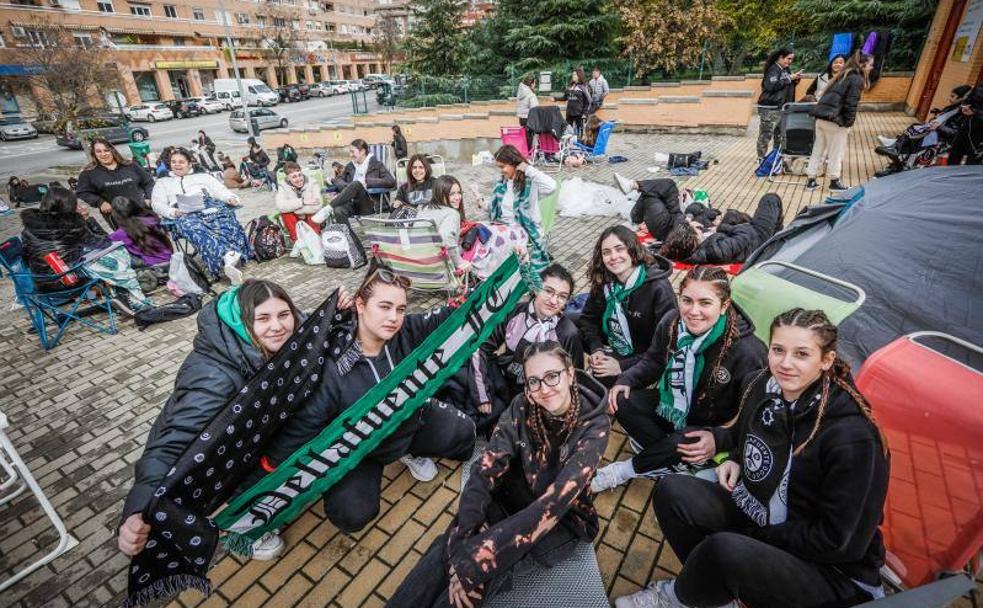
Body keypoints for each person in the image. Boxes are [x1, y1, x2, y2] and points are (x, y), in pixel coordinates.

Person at [615, 308, 889, 608]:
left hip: (833, 570)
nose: (785, 364)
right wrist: (734, 456)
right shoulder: (766, 385)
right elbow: (743, 431)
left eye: (801, 354)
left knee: (725, 550)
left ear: (826, 360)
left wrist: (756, 539)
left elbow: (840, 542)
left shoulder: (853, 438)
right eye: (778, 350)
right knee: (672, 491)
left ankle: (679, 598)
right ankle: (716, 595)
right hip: (761, 513)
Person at [117, 280, 339, 560]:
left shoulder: (292, 332)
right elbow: (172, 444)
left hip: (259, 434)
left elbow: (312, 327)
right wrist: (139, 508)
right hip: (221, 458)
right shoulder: (212, 377)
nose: (278, 327)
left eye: (284, 315)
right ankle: (243, 525)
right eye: (263, 318)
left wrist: (338, 312)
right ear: (242, 323)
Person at [386, 341, 610, 608]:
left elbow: (553, 505)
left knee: (476, 580)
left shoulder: (595, 428)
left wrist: (476, 562)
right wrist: (462, 541)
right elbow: (485, 467)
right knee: (447, 547)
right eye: (534, 381)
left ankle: (486, 574)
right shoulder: (522, 405)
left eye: (552, 376)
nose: (544, 389)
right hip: (512, 495)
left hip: (560, 521)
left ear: (570, 372)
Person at [262, 264, 477, 534]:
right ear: (360, 305)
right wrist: (266, 477)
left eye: (400, 309)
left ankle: (411, 452)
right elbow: (302, 427)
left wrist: (506, 272)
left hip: (410, 421)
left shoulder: (405, 331)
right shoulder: (334, 367)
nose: (394, 318)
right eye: (384, 307)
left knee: (464, 432)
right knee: (352, 513)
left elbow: (452, 315)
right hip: (361, 452)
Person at [591, 266, 767, 492]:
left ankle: (625, 470)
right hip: (672, 403)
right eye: (687, 300)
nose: (693, 311)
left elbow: (754, 415)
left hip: (712, 426)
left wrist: (722, 442)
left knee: (682, 442)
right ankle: (675, 460)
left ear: (724, 306)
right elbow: (653, 361)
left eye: (705, 303)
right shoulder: (672, 321)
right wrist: (626, 380)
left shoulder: (749, 352)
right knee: (621, 400)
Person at [468, 264, 583, 434]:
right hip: (505, 381)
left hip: (540, 394)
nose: (553, 301)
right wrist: (482, 394)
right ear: (536, 288)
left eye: (562, 296)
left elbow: (575, 377)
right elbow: (481, 347)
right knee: (476, 420)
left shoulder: (567, 333)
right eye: (549, 291)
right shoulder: (514, 312)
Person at [21, 187, 151, 313]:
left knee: (88, 261)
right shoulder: (71, 223)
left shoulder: (28, 229)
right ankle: (130, 297)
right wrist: (88, 220)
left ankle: (98, 295)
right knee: (109, 260)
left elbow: (26, 260)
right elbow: (104, 242)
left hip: (43, 285)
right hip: (71, 283)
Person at [578, 225, 675, 386]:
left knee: (598, 383)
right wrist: (597, 349)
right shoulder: (606, 280)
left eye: (619, 249)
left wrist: (621, 366)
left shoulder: (658, 288)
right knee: (566, 326)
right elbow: (588, 319)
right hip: (614, 344)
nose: (613, 257)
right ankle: (572, 370)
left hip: (644, 359)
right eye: (606, 252)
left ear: (633, 249)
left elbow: (666, 347)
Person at [151, 148, 250, 277]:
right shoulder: (163, 182)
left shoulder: (203, 177)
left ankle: (229, 257)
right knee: (195, 227)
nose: (177, 165)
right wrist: (173, 211)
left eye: (181, 162)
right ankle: (227, 257)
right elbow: (157, 204)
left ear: (189, 163)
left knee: (227, 220)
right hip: (183, 212)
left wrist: (230, 198)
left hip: (208, 206)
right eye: (174, 162)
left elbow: (220, 191)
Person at [477, 145, 556, 278]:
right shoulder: (503, 183)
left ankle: (495, 275)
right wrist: (483, 204)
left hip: (523, 229)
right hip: (503, 226)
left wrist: (527, 168)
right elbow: (496, 207)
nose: (501, 171)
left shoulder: (530, 183)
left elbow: (552, 186)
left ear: (515, 163)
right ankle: (486, 273)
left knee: (493, 238)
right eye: (499, 167)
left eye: (503, 167)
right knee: (478, 230)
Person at [805, 51, 873, 192]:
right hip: (835, 120)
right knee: (836, 152)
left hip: (822, 117)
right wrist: (848, 123)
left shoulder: (842, 75)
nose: (872, 67)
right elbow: (851, 103)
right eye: (870, 64)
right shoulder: (856, 79)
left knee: (818, 150)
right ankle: (834, 182)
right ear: (862, 64)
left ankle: (811, 180)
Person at [659, 193, 784, 264]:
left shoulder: (697, 245)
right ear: (693, 239)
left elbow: (697, 210)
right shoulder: (715, 250)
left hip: (746, 236)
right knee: (770, 199)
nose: (698, 226)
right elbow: (746, 235)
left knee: (731, 214)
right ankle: (775, 239)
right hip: (757, 238)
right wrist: (721, 227)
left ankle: (777, 235)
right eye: (695, 229)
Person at [76, 137, 156, 229]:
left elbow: (148, 182)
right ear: (94, 154)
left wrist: (149, 198)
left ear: (112, 150)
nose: (103, 154)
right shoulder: (88, 173)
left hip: (143, 212)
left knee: (156, 239)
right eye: (98, 151)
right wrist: (100, 202)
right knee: (130, 242)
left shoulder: (130, 165)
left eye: (106, 150)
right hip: (118, 218)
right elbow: (82, 192)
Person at [329, 138, 397, 226]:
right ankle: (349, 237)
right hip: (351, 203)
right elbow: (338, 179)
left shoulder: (376, 165)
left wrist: (367, 182)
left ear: (362, 151)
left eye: (352, 152)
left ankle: (328, 207)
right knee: (338, 210)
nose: (350, 155)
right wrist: (348, 187)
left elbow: (391, 181)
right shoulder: (350, 166)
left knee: (358, 183)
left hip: (369, 203)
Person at [756, 48, 802, 160]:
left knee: (780, 135)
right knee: (766, 134)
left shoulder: (786, 70)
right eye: (788, 58)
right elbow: (771, 86)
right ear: (781, 57)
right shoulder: (773, 69)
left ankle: (776, 157)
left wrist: (795, 80)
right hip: (770, 108)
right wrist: (789, 79)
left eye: (791, 59)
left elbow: (786, 86)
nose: (790, 61)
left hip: (783, 107)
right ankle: (761, 158)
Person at [414, 174, 467, 268]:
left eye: (459, 192)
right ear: (440, 194)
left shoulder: (423, 207)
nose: (458, 197)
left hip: (417, 260)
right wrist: (460, 263)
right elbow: (445, 237)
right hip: (436, 266)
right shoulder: (452, 213)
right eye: (451, 194)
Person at [613, 175, 685, 242]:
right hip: (673, 216)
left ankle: (633, 185)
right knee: (666, 186)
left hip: (670, 228)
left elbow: (687, 218)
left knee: (650, 195)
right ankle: (633, 186)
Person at [109, 196, 172, 267]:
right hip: (169, 258)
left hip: (153, 265)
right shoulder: (151, 219)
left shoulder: (119, 234)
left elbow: (107, 242)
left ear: (116, 216)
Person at [275, 161, 324, 241]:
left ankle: (314, 240)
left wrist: (297, 211)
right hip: (294, 220)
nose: (298, 179)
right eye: (294, 177)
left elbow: (318, 205)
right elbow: (280, 205)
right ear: (288, 178)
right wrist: (303, 202)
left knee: (311, 213)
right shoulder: (283, 186)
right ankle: (298, 242)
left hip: (310, 219)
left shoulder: (312, 183)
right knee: (286, 214)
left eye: (300, 175)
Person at [947, 84, 983, 166]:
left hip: (980, 134)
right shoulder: (980, 87)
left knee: (972, 162)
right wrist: (964, 107)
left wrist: (974, 111)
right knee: (954, 155)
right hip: (967, 126)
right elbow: (967, 100)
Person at [516, 73, 539, 151]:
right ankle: (529, 153)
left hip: (521, 118)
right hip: (529, 118)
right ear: (531, 84)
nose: (535, 85)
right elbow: (534, 109)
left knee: (524, 136)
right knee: (530, 137)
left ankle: (525, 152)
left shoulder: (520, 93)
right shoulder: (531, 95)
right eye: (534, 83)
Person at [565, 68, 591, 137]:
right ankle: (569, 146)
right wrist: (555, 98)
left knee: (579, 134)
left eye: (575, 74)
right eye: (573, 74)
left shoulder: (583, 87)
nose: (573, 76)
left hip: (579, 114)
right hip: (569, 113)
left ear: (579, 75)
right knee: (568, 132)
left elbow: (588, 101)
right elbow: (565, 97)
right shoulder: (570, 86)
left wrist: (585, 113)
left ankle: (579, 145)